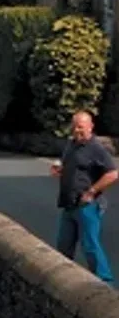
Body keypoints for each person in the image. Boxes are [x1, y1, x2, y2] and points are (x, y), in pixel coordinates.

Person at [51, 109, 118, 285]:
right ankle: (61, 282)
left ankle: (105, 283)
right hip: (68, 204)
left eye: (80, 127)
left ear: (90, 127)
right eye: (74, 127)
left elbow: (112, 174)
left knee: (90, 246)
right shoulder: (71, 144)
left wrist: (91, 191)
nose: (76, 131)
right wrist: (60, 169)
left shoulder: (96, 148)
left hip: (87, 206)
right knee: (63, 246)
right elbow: (72, 166)